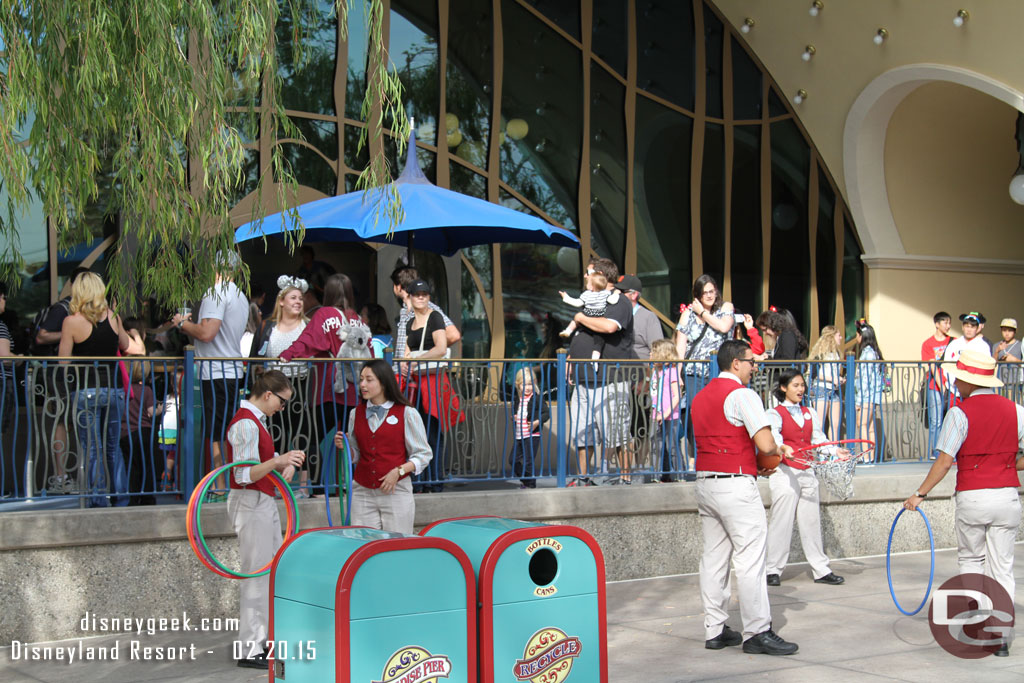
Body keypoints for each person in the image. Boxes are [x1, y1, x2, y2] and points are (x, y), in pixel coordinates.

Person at [902, 349, 1024, 658]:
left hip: (973, 494)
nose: (956, 381)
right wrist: (1008, 464)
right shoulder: (1016, 410)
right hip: (1007, 494)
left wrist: (920, 493)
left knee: (972, 560)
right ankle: (1001, 634)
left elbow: (945, 461)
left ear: (968, 381)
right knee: (1002, 566)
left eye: (959, 377)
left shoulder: (959, 412)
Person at [690, 339, 797, 656]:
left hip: (706, 481)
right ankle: (757, 631)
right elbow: (765, 443)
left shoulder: (699, 397)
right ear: (735, 363)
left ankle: (715, 628)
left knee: (714, 557)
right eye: (751, 361)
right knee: (751, 559)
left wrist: (754, 461)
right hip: (735, 485)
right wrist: (778, 448)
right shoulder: (743, 394)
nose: (755, 366)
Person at [224, 368, 305, 669]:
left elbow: (255, 470)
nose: (282, 409)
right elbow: (242, 474)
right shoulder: (246, 424)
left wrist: (282, 467)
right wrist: (278, 461)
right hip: (250, 502)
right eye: (282, 402)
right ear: (268, 395)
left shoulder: (255, 422)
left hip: (261, 500)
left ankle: (263, 641)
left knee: (271, 572)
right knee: (257, 576)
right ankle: (250, 647)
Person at [172, 251, 249, 499]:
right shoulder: (240, 296)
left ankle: (220, 486)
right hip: (232, 368)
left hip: (216, 371)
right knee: (226, 428)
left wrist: (182, 324)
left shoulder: (216, 293)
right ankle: (227, 483)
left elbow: (207, 333)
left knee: (217, 432)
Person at [277, 273, 363, 491]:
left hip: (329, 388)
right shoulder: (356, 318)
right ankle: (348, 486)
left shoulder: (324, 314)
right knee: (348, 441)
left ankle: (315, 487)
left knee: (307, 436)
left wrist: (287, 354)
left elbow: (308, 340)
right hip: (354, 389)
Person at [765, 369, 846, 587]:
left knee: (811, 521)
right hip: (785, 472)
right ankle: (772, 569)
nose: (801, 389)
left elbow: (818, 439)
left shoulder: (810, 411)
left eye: (802, 385)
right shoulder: (775, 413)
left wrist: (835, 451)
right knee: (781, 521)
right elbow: (774, 437)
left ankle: (821, 569)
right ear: (784, 388)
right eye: (795, 385)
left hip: (807, 471)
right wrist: (783, 448)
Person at [58, 273, 132, 507]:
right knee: (113, 446)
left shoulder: (72, 322)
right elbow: (125, 345)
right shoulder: (113, 317)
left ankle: (98, 500)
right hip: (113, 390)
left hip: (85, 390)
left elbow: (63, 362)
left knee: (92, 448)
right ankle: (120, 497)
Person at [338, 360, 431, 534]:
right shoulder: (355, 414)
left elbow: (423, 454)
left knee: (397, 546)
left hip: (396, 492)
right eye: (361, 379)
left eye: (369, 379)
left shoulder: (407, 413)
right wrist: (345, 448)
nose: (363, 384)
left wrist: (399, 471)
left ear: (383, 382)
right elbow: (356, 454)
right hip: (362, 491)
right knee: (363, 545)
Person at [567, 258, 636, 486]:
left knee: (617, 435)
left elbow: (609, 326)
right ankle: (583, 478)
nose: (585, 277)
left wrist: (578, 317)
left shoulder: (619, 301)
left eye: (589, 273)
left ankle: (625, 479)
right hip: (584, 379)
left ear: (601, 275)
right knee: (581, 434)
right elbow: (582, 333)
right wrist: (571, 357)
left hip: (609, 380)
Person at [31, 265, 91, 492]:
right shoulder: (62, 309)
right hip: (60, 376)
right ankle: (60, 476)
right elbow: (42, 336)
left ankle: (81, 476)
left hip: (77, 377)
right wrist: (70, 334)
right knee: (62, 421)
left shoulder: (85, 311)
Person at [250, 275, 311, 495]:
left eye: (301, 298)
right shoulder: (268, 326)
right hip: (273, 387)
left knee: (302, 433)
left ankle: (303, 487)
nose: (298, 302)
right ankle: (273, 484)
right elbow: (254, 357)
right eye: (293, 297)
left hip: (300, 385)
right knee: (274, 434)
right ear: (282, 301)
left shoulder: (308, 326)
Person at [402, 279, 464, 492]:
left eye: (425, 294)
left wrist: (415, 360)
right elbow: (408, 350)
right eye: (417, 293)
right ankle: (422, 481)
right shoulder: (410, 323)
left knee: (432, 432)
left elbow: (440, 347)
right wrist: (404, 362)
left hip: (433, 382)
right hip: (417, 384)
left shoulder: (435, 317)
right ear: (410, 296)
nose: (421, 297)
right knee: (418, 433)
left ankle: (434, 481)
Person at [673, 274, 734, 474]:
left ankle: (717, 455)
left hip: (719, 371)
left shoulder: (725, 308)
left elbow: (724, 327)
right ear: (697, 295)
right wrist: (677, 375)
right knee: (694, 412)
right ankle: (697, 453)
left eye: (711, 291)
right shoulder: (688, 314)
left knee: (718, 414)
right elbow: (681, 346)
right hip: (693, 372)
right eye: (704, 292)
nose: (709, 295)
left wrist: (704, 313)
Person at [391, 264, 461, 373]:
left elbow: (453, 335)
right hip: (403, 373)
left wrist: (429, 348)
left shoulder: (429, 308)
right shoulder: (404, 311)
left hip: (421, 371)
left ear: (398, 287)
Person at [119, 358, 161, 505]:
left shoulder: (123, 390)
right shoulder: (146, 390)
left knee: (131, 465)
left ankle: (132, 496)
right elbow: (151, 412)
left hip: (125, 432)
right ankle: (147, 496)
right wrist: (161, 408)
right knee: (147, 464)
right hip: (143, 431)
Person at [558, 270, 618, 359]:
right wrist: (616, 293)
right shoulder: (606, 293)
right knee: (599, 340)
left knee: (576, 319)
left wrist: (566, 298)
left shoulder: (586, 294)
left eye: (587, 283)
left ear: (591, 286)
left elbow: (577, 303)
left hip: (587, 314)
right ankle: (595, 359)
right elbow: (612, 301)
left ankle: (568, 331)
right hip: (599, 316)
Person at [510, 366, 549, 489]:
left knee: (528, 461)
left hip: (532, 435)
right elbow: (518, 412)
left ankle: (530, 484)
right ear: (518, 385)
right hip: (519, 434)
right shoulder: (518, 399)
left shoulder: (537, 398)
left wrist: (537, 422)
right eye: (524, 385)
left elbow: (546, 413)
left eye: (530, 384)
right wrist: (515, 417)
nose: (528, 388)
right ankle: (527, 480)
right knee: (513, 460)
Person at [921, 312, 953, 459]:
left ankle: (950, 451)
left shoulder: (953, 341)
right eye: (945, 322)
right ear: (937, 324)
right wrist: (942, 385)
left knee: (951, 419)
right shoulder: (928, 344)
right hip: (935, 386)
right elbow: (932, 365)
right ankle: (936, 451)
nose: (948, 326)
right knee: (936, 420)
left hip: (952, 385)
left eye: (949, 322)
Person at [649, 339, 682, 482]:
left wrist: (666, 413)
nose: (650, 354)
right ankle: (657, 475)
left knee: (672, 445)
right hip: (656, 414)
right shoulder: (655, 371)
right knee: (656, 444)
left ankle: (678, 474)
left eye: (653, 352)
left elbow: (677, 396)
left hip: (670, 415)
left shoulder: (672, 371)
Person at [807, 325, 845, 440]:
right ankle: (820, 452)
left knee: (835, 424)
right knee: (819, 424)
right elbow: (815, 374)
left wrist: (839, 378)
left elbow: (835, 372)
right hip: (821, 389)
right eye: (839, 335)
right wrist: (832, 379)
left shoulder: (837, 354)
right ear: (832, 336)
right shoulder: (820, 353)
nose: (841, 338)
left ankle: (833, 453)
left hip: (834, 390)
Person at [942, 312, 991, 396]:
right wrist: (952, 382)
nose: (969, 329)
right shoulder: (954, 344)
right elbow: (946, 365)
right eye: (967, 326)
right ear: (962, 327)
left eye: (972, 327)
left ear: (977, 328)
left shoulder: (983, 346)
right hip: (953, 391)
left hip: (973, 392)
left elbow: (985, 369)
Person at [854, 323, 884, 462]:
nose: (856, 337)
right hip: (874, 395)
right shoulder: (875, 352)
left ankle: (866, 456)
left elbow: (864, 380)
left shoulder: (866, 353)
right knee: (870, 427)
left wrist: (858, 401)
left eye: (857, 334)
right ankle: (871, 456)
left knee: (863, 425)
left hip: (866, 396)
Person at [0, 283, 18, 434]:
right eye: (4, 297)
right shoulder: (0, 326)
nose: (5, 301)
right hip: (2, 383)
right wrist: (18, 358)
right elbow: (4, 358)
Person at [992, 317, 1022, 402]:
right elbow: (992, 363)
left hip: (1014, 385)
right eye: (1004, 330)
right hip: (999, 384)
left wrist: (1015, 360)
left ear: (1015, 331)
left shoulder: (1020, 345)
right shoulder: (997, 345)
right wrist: (997, 351)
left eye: (1010, 331)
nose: (1007, 333)